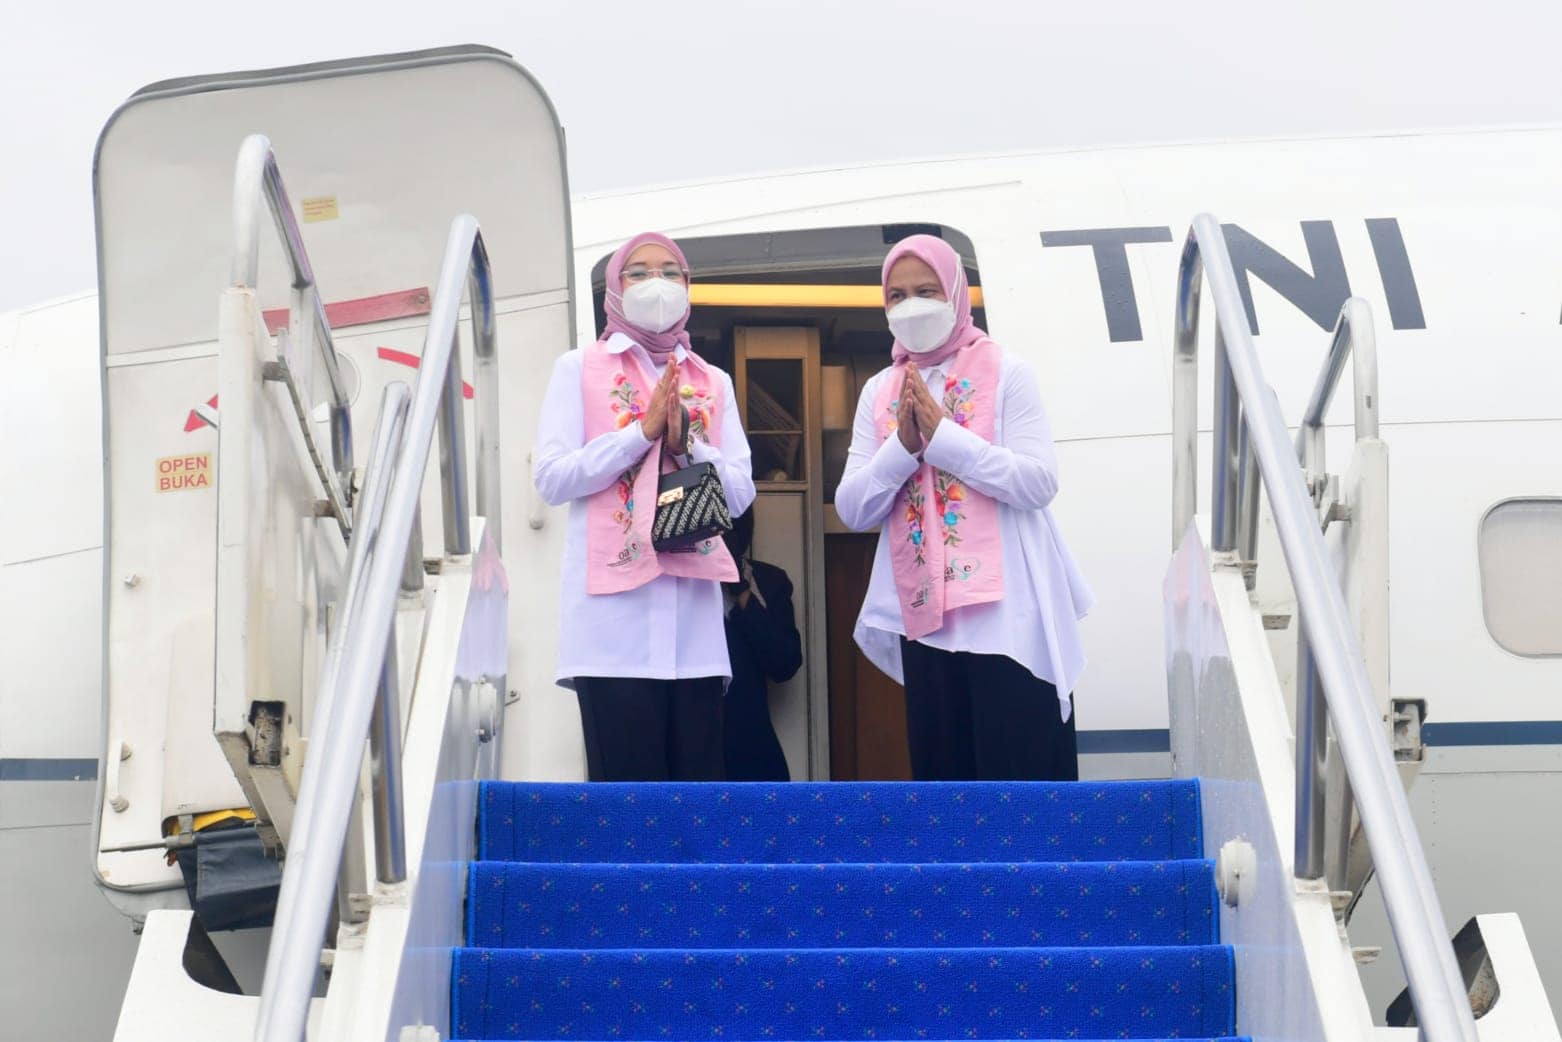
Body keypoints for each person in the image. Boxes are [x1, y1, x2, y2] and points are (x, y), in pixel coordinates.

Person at [834, 234, 1094, 782]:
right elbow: (853, 508)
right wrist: (903, 448)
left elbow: (1038, 481)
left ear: (956, 293)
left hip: (1007, 615)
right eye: (898, 295)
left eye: (927, 290)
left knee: (1018, 786)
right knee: (946, 792)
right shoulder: (879, 390)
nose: (913, 305)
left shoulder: (1008, 371)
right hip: (927, 620)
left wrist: (944, 437)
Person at [533, 232, 755, 782]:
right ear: (613, 287)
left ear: (688, 286)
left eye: (669, 272)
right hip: (612, 634)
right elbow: (553, 477)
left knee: (695, 804)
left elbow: (740, 492)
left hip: (693, 633)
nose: (655, 284)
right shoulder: (579, 368)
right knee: (626, 810)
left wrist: (688, 446)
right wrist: (640, 434)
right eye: (638, 272)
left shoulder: (712, 380)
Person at [720, 508, 801, 781]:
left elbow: (785, 663)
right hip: (692, 740)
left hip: (749, 742)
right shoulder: (679, 588)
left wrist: (741, 594)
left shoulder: (768, 581)